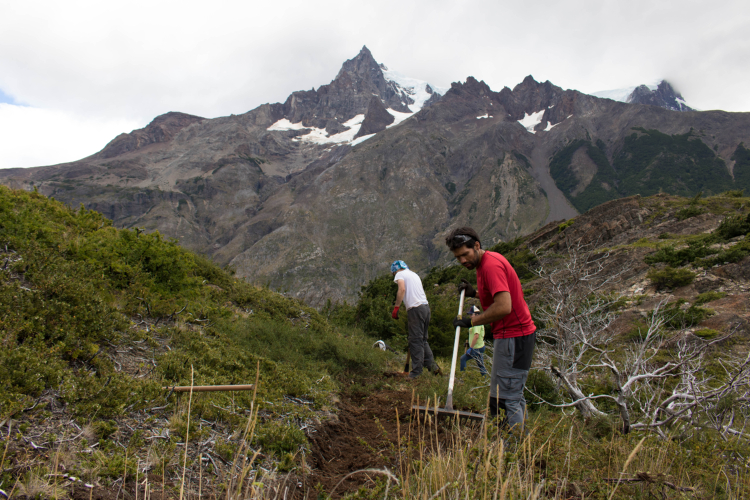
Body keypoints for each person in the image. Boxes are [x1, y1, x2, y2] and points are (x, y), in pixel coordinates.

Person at [444, 228, 536, 431]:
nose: (461, 261)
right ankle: (522, 446)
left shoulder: (490, 266)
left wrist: (472, 321)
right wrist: (474, 293)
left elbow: (504, 306)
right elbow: (496, 295)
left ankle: (513, 451)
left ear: (476, 245)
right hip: (514, 336)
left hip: (514, 337)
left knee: (504, 401)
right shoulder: (484, 263)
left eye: (464, 254)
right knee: (511, 396)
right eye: (457, 257)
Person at [390, 260, 441, 379]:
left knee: (415, 340)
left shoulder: (400, 274)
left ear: (395, 270)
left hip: (415, 309)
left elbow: (402, 289)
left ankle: (416, 372)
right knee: (423, 340)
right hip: (426, 308)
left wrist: (396, 307)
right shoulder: (414, 274)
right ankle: (433, 368)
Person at [459, 306, 488, 376]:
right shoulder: (475, 322)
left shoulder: (477, 323)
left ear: (477, 315)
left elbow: (476, 336)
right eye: (470, 315)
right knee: (480, 363)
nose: (470, 316)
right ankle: (485, 377)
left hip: (477, 347)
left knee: (463, 358)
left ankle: (463, 376)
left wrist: (471, 348)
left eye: (472, 314)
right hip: (479, 347)